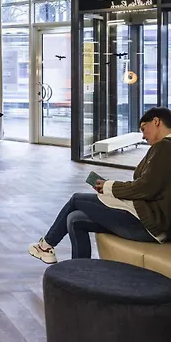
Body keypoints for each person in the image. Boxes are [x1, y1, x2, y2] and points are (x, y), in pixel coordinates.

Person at [29, 107, 171, 264]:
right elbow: (147, 185)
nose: (143, 136)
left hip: (150, 225)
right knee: (74, 219)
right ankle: (80, 271)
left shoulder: (164, 147)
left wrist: (109, 187)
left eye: (144, 129)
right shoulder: (163, 148)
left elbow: (145, 188)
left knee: (77, 199)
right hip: (152, 224)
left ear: (156, 121)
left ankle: (45, 246)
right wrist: (109, 188)